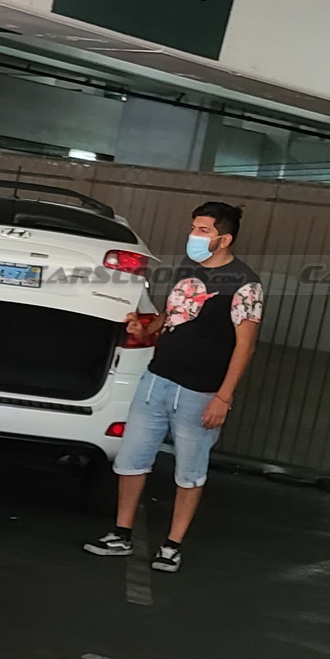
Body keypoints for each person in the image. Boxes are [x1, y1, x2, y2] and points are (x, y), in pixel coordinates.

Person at [85, 199, 263, 573]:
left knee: (190, 471)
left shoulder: (244, 284)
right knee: (131, 460)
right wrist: (144, 329)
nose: (193, 235)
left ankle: (172, 545)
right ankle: (121, 533)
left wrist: (223, 397)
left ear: (225, 239)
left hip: (199, 393)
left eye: (203, 230)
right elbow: (171, 315)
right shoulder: (187, 268)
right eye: (193, 227)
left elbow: (245, 345)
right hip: (156, 380)